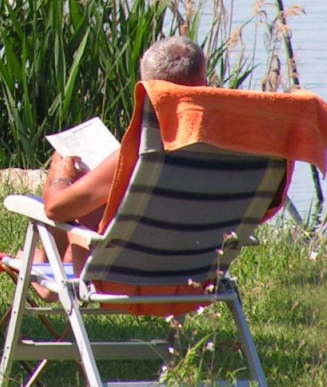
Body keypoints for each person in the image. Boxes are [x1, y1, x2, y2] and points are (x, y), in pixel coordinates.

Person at [36, 35, 208, 278]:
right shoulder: (226, 145)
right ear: (205, 83)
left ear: (148, 91)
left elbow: (55, 209)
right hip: (196, 270)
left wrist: (60, 176)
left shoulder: (143, 150)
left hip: (126, 274)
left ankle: (44, 268)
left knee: (64, 168)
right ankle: (50, 258)